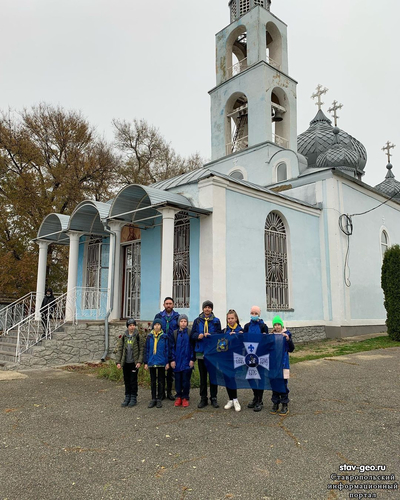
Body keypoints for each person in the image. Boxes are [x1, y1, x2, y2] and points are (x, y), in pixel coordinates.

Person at [191, 300, 222, 408]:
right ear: (203, 309)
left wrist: (211, 335)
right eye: (205, 307)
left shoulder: (216, 321)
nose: (207, 309)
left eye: (209, 307)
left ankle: (213, 397)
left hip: (212, 352)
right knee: (203, 377)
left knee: (213, 376)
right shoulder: (197, 321)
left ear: (211, 309)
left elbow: (219, 334)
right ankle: (203, 398)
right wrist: (198, 335)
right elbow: (192, 334)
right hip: (201, 351)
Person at [243, 305, 269, 412]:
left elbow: (267, 340)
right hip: (249, 355)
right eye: (252, 313)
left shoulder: (263, 326)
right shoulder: (246, 326)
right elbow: (243, 339)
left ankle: (260, 400)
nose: (254, 315)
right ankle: (255, 396)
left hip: (261, 355)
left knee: (260, 377)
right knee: (250, 377)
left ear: (259, 315)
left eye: (256, 313)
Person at [154, 297, 180, 401]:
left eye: (170, 303)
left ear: (173, 305)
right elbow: (154, 329)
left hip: (172, 346)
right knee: (160, 371)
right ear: (164, 305)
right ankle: (161, 393)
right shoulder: (159, 316)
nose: (168, 305)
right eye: (166, 303)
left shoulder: (177, 317)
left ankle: (169, 392)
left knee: (171, 372)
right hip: (161, 346)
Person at [115, 319, 144, 407]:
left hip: (134, 363)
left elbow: (141, 350)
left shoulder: (138, 336)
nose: (132, 327)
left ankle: (133, 397)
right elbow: (120, 349)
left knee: (133, 381)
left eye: (133, 325)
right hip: (125, 362)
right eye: (130, 325)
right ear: (127, 326)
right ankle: (127, 396)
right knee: (127, 380)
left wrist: (139, 361)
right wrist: (118, 362)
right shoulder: (124, 337)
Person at [270, 315, 294, 416]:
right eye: (275, 324)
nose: (277, 326)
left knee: (283, 384)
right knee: (274, 383)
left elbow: (291, 348)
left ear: (282, 325)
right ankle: (275, 403)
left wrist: (288, 340)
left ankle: (284, 404)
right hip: (274, 364)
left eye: (279, 324)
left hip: (283, 364)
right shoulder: (271, 336)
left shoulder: (286, 335)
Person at [144, 319, 170, 408]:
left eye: (159, 325)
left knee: (161, 380)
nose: (157, 326)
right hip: (151, 361)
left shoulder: (164, 337)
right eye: (155, 325)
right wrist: (146, 362)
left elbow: (166, 350)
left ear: (161, 326)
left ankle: (159, 398)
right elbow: (147, 350)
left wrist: (167, 362)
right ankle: (153, 398)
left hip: (161, 362)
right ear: (153, 326)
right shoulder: (149, 337)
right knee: (153, 381)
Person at [170, 314, 195, 408]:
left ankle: (185, 397)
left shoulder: (189, 333)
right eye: (181, 321)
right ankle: (178, 396)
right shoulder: (175, 333)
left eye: (185, 321)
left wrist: (192, 359)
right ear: (179, 322)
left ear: (187, 323)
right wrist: (172, 360)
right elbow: (172, 347)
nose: (183, 323)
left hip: (187, 361)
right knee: (178, 380)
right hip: (177, 361)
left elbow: (192, 347)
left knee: (186, 380)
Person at [222, 309, 243, 412]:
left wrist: (237, 336)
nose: (230, 320)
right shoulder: (225, 330)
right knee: (227, 378)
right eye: (228, 318)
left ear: (236, 319)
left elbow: (243, 344)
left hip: (236, 358)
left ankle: (235, 399)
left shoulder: (240, 330)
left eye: (232, 318)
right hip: (226, 358)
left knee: (232, 378)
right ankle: (230, 399)